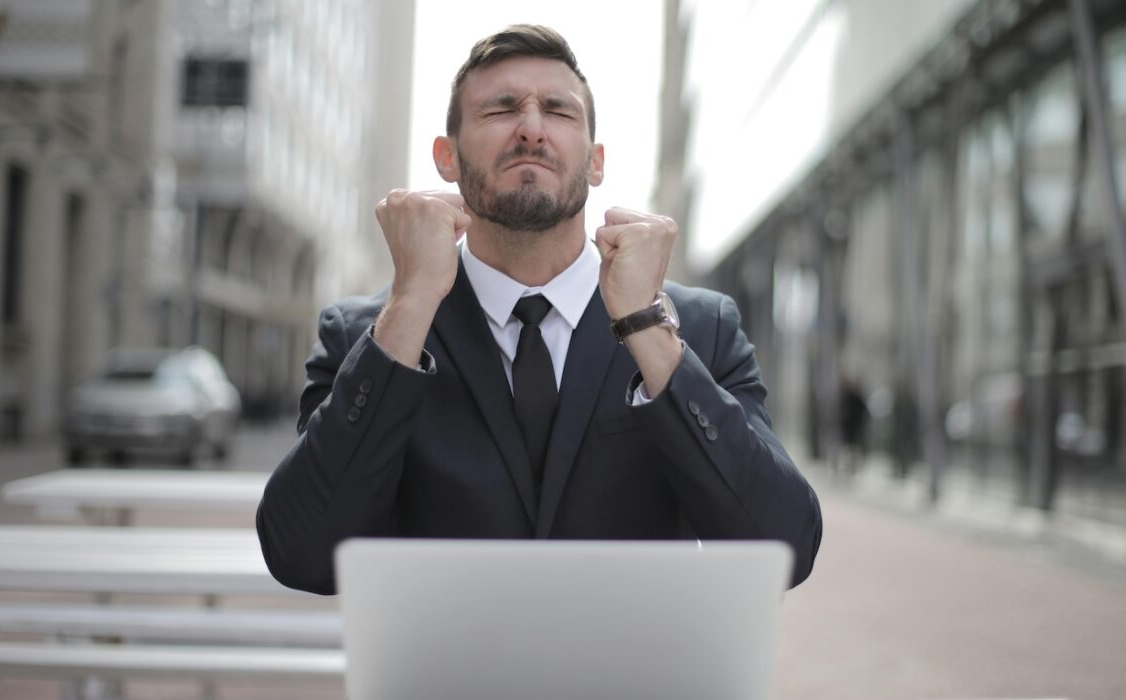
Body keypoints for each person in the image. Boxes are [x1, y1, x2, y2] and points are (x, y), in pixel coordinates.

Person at [256, 24, 822, 594]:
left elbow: (783, 549)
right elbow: (302, 555)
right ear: (446, 157)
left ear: (596, 162)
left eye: (558, 111)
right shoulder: (366, 335)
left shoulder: (700, 328)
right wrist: (411, 302)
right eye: (500, 110)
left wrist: (645, 325)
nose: (531, 129)